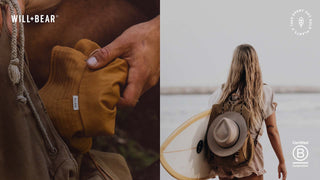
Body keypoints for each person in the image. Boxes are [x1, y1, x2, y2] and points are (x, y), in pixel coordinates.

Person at [208, 44, 287, 180]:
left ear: (234, 64)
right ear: (255, 64)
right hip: (250, 159)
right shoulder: (263, 92)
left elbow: (209, 127)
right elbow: (272, 130)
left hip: (224, 160)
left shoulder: (221, 92)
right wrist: (282, 161)